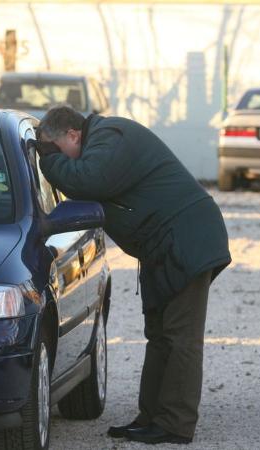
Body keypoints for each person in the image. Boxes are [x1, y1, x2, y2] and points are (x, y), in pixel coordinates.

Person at [35, 105, 231, 444]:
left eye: (55, 146)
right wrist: (53, 156)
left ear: (72, 134)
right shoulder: (100, 141)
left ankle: (176, 424)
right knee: (159, 333)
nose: (55, 156)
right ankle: (152, 417)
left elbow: (87, 181)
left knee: (179, 336)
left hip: (187, 239)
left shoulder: (111, 137)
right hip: (165, 244)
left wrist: (47, 160)